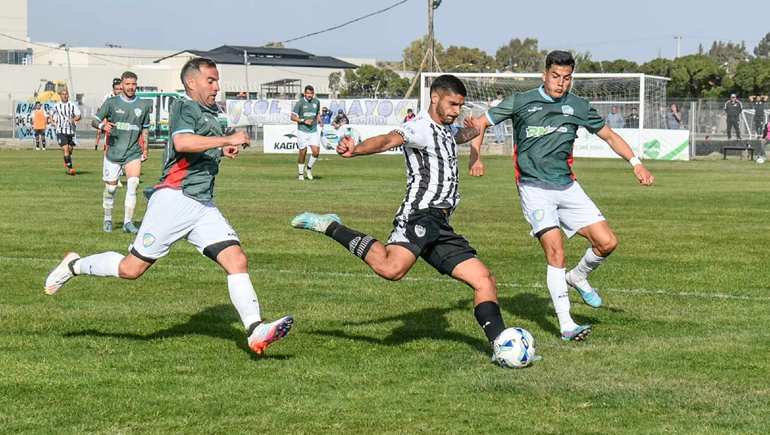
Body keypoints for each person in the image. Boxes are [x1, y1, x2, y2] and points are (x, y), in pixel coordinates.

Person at [44, 57, 293, 356]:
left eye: (217, 81)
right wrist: (227, 138)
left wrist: (222, 148)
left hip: (201, 204)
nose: (217, 87)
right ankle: (74, 265)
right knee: (130, 269)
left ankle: (255, 330)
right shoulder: (184, 106)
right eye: (211, 81)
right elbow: (183, 143)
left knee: (237, 260)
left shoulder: (209, 112)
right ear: (191, 82)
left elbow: (197, 147)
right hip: (175, 199)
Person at [290, 75, 514, 364]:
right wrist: (356, 150)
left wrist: (473, 132)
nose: (457, 111)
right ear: (435, 98)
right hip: (420, 214)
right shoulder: (419, 127)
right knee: (391, 268)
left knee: (484, 280)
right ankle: (329, 225)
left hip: (440, 224)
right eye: (452, 104)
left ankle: (502, 347)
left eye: (460, 106)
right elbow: (387, 140)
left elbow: (459, 136)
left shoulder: (446, 128)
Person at [468, 50, 655, 342]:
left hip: (567, 186)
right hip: (534, 188)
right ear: (545, 75)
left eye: (566, 78)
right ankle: (567, 324)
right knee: (556, 251)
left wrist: (636, 163)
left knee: (607, 243)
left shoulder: (578, 106)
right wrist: (475, 156)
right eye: (555, 76)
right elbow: (480, 123)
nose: (561, 83)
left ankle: (578, 277)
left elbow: (609, 136)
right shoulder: (521, 101)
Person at [92, 71, 150, 234]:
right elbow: (94, 120)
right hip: (114, 152)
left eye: (133, 84)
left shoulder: (143, 105)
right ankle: (108, 219)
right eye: (127, 84)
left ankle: (128, 222)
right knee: (110, 189)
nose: (131, 87)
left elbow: (145, 129)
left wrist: (145, 148)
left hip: (133, 152)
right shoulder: (111, 103)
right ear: (122, 85)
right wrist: (102, 126)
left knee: (134, 184)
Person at [291, 85, 323, 181]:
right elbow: (292, 117)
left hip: (313, 131)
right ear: (304, 93)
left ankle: (308, 168)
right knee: (303, 152)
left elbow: (317, 113)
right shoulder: (300, 103)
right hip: (302, 131)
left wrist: (320, 120)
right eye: (308, 93)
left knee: (316, 152)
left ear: (313, 94)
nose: (310, 95)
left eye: (311, 93)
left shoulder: (316, 102)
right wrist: (304, 121)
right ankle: (301, 174)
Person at [49, 88, 81, 175]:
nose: (64, 96)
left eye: (66, 94)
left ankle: (66, 160)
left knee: (70, 149)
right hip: (60, 130)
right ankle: (71, 169)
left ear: (68, 95)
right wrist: (52, 121)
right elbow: (51, 113)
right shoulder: (57, 106)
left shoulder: (72, 105)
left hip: (70, 131)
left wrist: (73, 119)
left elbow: (79, 116)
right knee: (65, 148)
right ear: (60, 95)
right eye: (63, 94)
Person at [95, 78, 123, 151]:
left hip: (122, 124)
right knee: (108, 144)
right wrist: (104, 124)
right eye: (117, 89)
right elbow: (102, 112)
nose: (119, 91)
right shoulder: (108, 97)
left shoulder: (125, 98)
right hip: (111, 123)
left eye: (120, 89)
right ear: (113, 89)